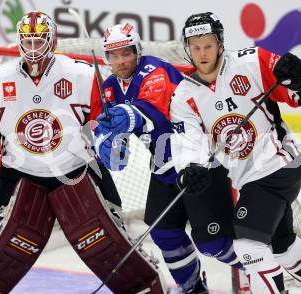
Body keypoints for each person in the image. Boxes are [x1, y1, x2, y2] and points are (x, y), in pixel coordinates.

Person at [0, 11, 165, 293]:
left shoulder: (82, 75)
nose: (34, 49)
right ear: (20, 42)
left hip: (77, 172)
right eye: (28, 42)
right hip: (19, 175)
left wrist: (111, 143)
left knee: (113, 249)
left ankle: (144, 285)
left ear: (52, 40)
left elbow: (103, 124)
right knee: (1, 255)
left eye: (40, 42)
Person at [170, 12, 301, 293]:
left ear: (220, 43)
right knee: (284, 248)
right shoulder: (184, 95)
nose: (202, 53)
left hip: (278, 164)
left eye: (207, 45)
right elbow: (189, 142)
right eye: (195, 46)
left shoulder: (250, 61)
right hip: (248, 178)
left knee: (248, 245)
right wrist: (190, 168)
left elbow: (298, 92)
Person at [93, 23, 242, 293]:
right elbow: (114, 135)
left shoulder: (154, 70)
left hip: (198, 163)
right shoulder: (110, 87)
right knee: (164, 233)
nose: (120, 61)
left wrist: (126, 118)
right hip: (164, 166)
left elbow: (151, 111)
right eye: (113, 56)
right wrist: (111, 147)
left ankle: (269, 270)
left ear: (137, 51)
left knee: (215, 244)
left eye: (125, 53)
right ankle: (193, 288)